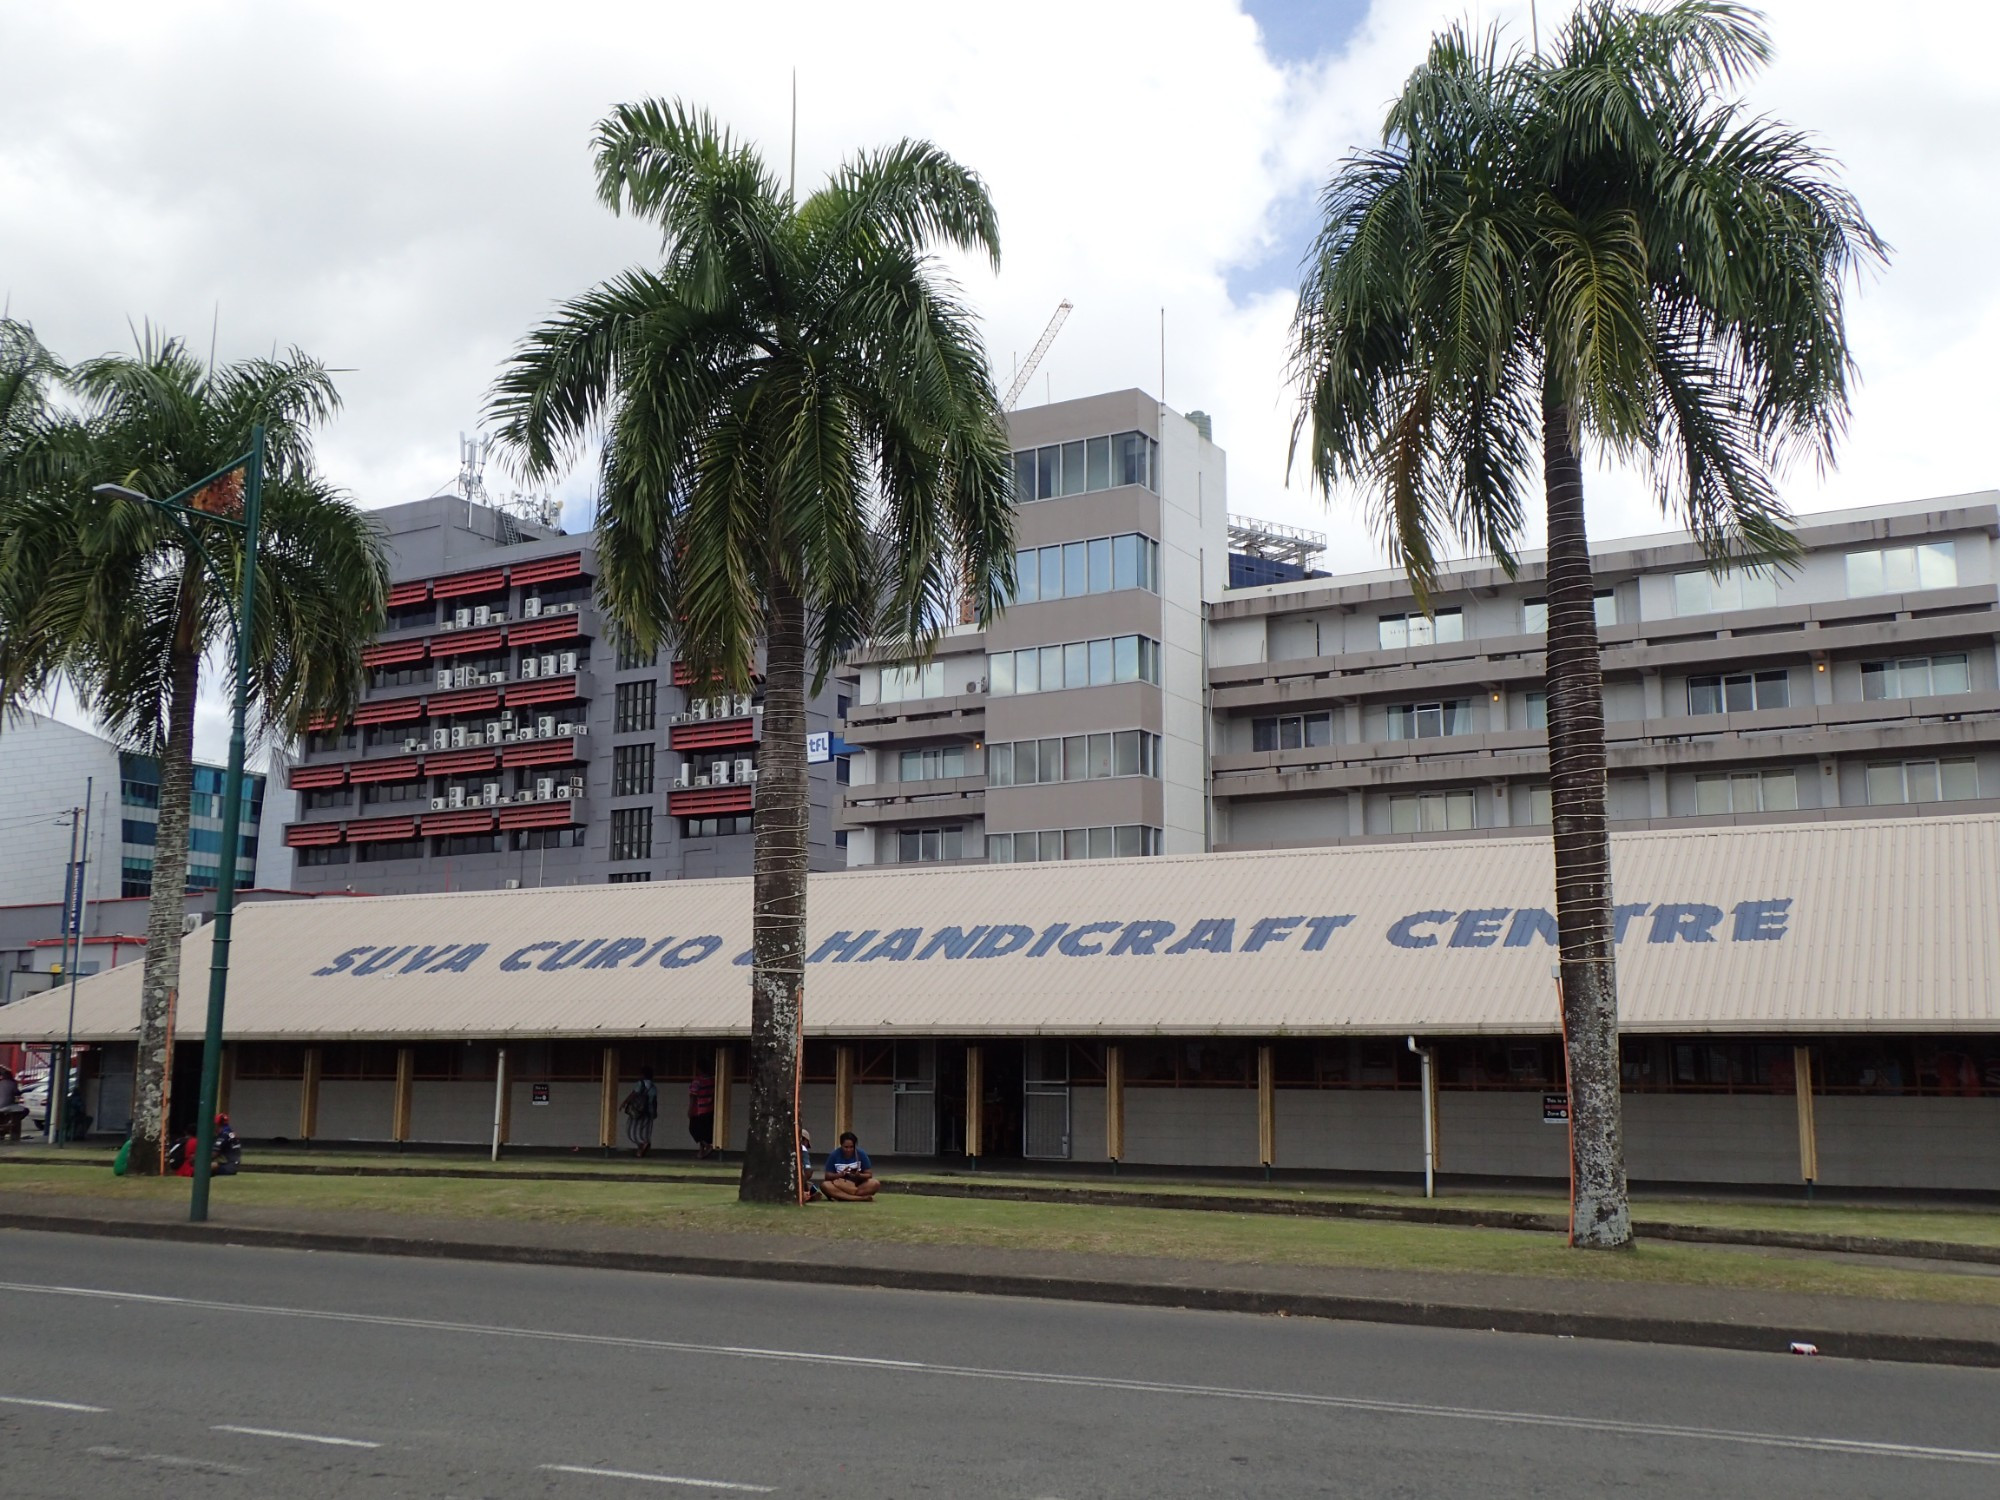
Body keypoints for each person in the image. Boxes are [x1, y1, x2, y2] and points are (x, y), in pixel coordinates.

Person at [821, 1131, 880, 1201]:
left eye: (851, 1147)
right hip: (840, 1185)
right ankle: (858, 1198)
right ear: (841, 1145)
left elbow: (869, 1174)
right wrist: (840, 1174)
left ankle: (842, 1197)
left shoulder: (861, 1154)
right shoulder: (834, 1155)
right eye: (846, 1147)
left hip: (856, 1186)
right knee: (825, 1185)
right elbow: (827, 1176)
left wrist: (859, 1175)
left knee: (875, 1183)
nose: (848, 1150)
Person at [623, 1067, 659, 1157]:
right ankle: (641, 1150)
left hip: (638, 1110)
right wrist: (655, 1111)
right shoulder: (653, 1087)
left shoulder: (640, 1084)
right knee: (646, 1130)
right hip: (649, 1111)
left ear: (643, 1075)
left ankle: (642, 1144)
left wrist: (625, 1102)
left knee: (631, 1130)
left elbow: (634, 1094)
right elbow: (654, 1100)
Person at [688, 1061, 716, 1159]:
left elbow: (693, 1095)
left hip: (698, 1109)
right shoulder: (712, 1080)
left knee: (694, 1129)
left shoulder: (697, 1081)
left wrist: (690, 1109)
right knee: (705, 1130)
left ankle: (707, 1146)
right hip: (710, 1108)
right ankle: (701, 1151)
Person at [0, 1065, 26, 1143]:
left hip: (3, 1106)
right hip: (7, 1105)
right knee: (24, 1110)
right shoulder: (12, 1083)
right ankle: (12, 1127)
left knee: (3, 1116)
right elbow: (17, 1093)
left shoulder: (1, 1083)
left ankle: (4, 1131)